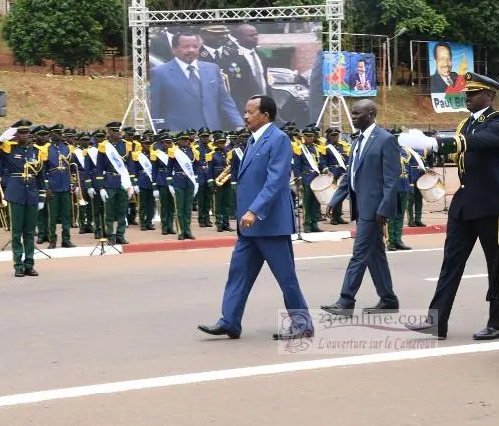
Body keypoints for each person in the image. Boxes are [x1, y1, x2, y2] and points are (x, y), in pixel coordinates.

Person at [406, 72, 499, 340]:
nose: (467, 97)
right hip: (464, 204)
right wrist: (425, 150)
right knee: (450, 263)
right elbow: (457, 151)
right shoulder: (465, 124)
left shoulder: (498, 121)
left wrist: (436, 141)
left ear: (489, 95)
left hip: (490, 203)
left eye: (473, 93)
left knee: (497, 266)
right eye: (466, 94)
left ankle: (498, 323)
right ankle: (436, 321)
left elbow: (480, 142)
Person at [198, 95, 313, 340]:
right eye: (245, 111)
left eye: (250, 112)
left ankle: (302, 325)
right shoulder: (253, 140)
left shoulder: (279, 139)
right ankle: (229, 321)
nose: (246, 116)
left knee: (286, 277)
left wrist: (254, 210)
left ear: (266, 115)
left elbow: (276, 181)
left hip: (269, 224)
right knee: (238, 273)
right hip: (249, 227)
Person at [321, 99, 402, 317]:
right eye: (353, 113)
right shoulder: (357, 141)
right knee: (375, 255)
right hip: (361, 206)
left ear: (370, 115)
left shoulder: (385, 140)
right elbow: (350, 174)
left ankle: (346, 301)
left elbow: (391, 178)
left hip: (375, 209)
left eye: (357, 114)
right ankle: (388, 300)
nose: (353, 117)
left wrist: (384, 208)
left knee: (359, 254)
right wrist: (335, 199)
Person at [149, 30, 244, 132]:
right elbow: (155, 108)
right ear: (174, 49)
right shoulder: (160, 73)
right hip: (179, 136)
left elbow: (225, 101)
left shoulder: (212, 69)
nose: (191, 50)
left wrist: (239, 124)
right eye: (186, 47)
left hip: (212, 134)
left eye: (195, 46)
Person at [0, 120, 48, 278]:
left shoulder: (36, 151)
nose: (24, 135)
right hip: (16, 193)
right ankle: (18, 265)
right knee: (16, 232)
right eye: (21, 133)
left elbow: (41, 176)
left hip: (32, 193)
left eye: (26, 133)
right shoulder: (9, 148)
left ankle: (29, 264)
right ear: (16, 134)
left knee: (29, 232)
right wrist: (0, 140)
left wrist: (42, 196)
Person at [94, 122, 135, 246]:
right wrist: (101, 186)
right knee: (109, 211)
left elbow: (130, 165)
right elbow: (99, 167)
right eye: (114, 131)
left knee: (122, 210)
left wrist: (131, 184)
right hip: (109, 181)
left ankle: (120, 235)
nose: (117, 133)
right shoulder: (103, 146)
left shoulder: (127, 145)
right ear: (109, 132)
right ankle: (110, 235)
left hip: (123, 182)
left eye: (118, 131)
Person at [45, 124, 75, 249]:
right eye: (56, 133)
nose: (59, 135)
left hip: (66, 185)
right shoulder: (46, 149)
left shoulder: (67, 148)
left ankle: (66, 240)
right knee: (52, 216)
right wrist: (47, 187)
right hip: (53, 186)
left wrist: (73, 183)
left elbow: (72, 167)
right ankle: (52, 241)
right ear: (51, 134)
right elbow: (44, 170)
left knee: (66, 215)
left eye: (60, 132)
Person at [168, 130, 199, 240]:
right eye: (184, 140)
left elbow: (195, 167)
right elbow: (169, 168)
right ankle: (181, 231)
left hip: (189, 182)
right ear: (179, 141)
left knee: (188, 208)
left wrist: (196, 181)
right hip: (178, 181)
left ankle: (188, 230)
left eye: (188, 140)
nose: (186, 141)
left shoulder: (193, 151)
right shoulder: (174, 152)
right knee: (179, 208)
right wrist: (170, 183)